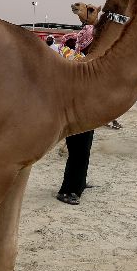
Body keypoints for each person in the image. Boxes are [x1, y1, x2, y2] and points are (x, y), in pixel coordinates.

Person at [56, 23, 102, 205]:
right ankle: (67, 190)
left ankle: (79, 183)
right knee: (77, 152)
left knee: (84, 151)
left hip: (87, 113)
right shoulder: (76, 60)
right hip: (76, 113)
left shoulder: (86, 59)